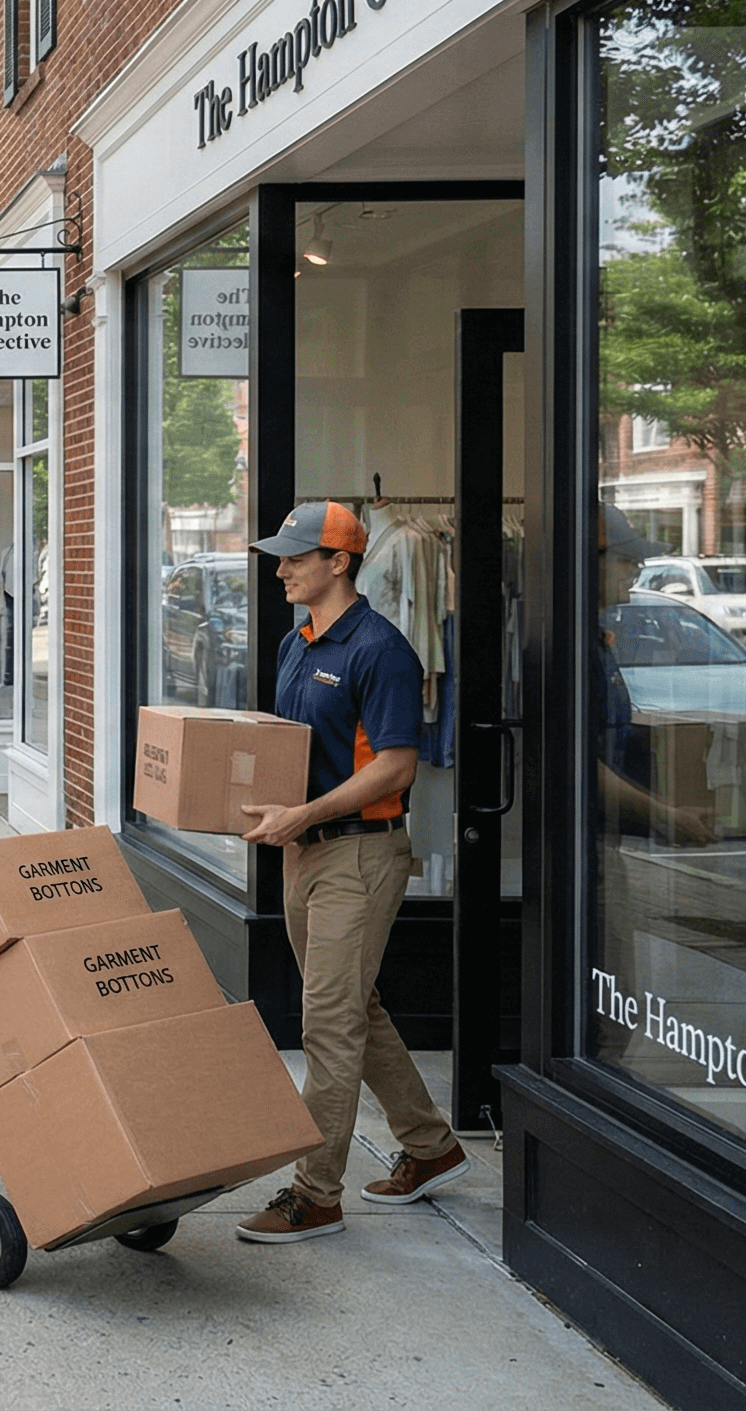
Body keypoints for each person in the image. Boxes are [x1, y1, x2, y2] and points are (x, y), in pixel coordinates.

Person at [234, 501, 466, 1243]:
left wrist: (303, 817)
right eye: (281, 556)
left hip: (361, 856)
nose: (282, 569)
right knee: (354, 1009)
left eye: (296, 557)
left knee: (328, 1024)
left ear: (340, 562)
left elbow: (399, 765)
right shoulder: (296, 643)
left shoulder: (381, 650)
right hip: (305, 852)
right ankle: (431, 1148)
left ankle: (316, 1193)